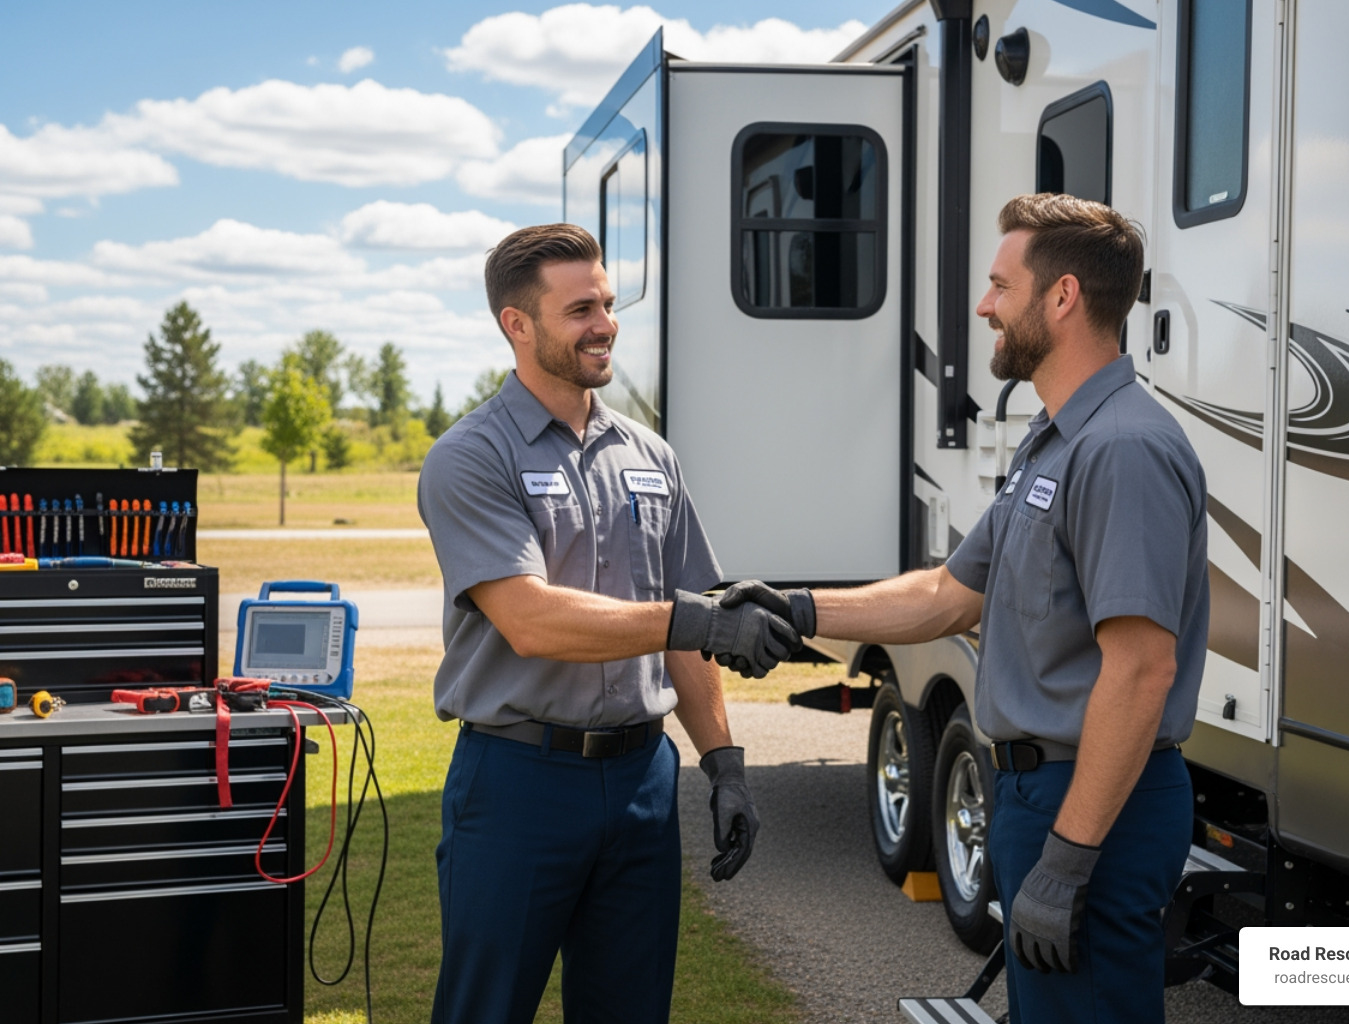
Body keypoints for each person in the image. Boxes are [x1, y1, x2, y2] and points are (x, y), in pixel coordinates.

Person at [721, 193, 1209, 1023]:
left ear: (1061, 298)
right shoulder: (1055, 439)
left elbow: (1141, 669)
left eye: (999, 286)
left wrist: (1069, 858)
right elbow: (949, 593)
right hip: (1040, 798)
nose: (984, 305)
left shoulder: (1122, 448)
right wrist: (800, 610)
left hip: (1092, 808)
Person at [418, 223, 800, 1024]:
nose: (605, 324)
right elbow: (531, 619)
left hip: (639, 784)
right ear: (516, 325)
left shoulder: (651, 456)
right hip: (518, 782)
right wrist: (695, 620)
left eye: (609, 302)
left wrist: (724, 765)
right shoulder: (471, 456)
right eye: (579, 308)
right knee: (485, 1011)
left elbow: (690, 627)